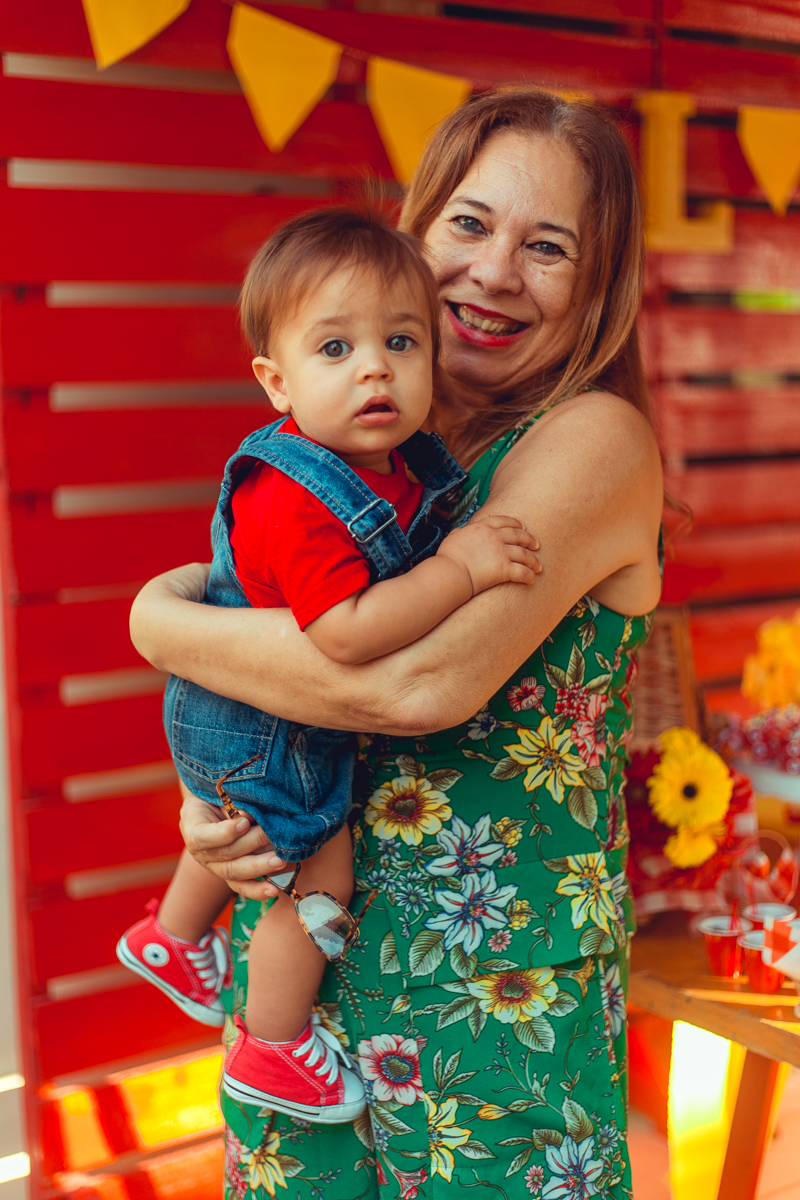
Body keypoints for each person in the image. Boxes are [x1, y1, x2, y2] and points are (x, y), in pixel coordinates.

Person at [131, 88, 663, 1198]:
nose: (493, 272)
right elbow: (247, 622)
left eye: (548, 247)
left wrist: (155, 625)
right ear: (414, 236)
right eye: (467, 225)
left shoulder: (589, 440)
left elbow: (416, 685)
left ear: (598, 286)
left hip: (492, 1006)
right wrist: (220, 806)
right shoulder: (353, 439)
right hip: (306, 996)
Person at [117, 208, 540, 1127]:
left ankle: (173, 936)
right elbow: (346, 635)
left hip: (237, 705)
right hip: (271, 719)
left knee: (243, 833)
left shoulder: (386, 465)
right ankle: (271, 1045)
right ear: (277, 382)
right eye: (337, 348)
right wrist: (461, 567)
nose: (375, 368)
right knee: (313, 879)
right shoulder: (304, 496)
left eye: (400, 341)